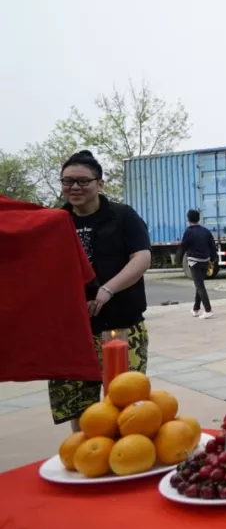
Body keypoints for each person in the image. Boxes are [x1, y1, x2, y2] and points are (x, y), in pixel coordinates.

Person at [49, 150, 152, 430]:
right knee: (82, 411)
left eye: (83, 181)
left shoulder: (122, 216)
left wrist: (107, 290)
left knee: (126, 407)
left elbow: (141, 258)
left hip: (120, 327)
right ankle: (86, 458)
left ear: (100, 184)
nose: (75, 188)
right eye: (68, 181)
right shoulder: (54, 221)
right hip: (72, 333)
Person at [179, 209, 217, 319]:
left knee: (199, 286)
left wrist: (178, 259)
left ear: (188, 219)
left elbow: (183, 246)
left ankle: (208, 309)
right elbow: (212, 246)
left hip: (194, 262)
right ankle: (195, 309)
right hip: (205, 261)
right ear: (199, 219)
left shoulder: (189, 232)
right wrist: (212, 259)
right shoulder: (206, 231)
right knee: (199, 284)